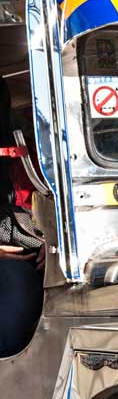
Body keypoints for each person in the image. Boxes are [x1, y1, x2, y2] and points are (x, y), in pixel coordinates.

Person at [0, 76, 44, 358]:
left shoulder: (23, 149)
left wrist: (53, 246)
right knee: (17, 278)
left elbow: (39, 202)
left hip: (22, 241)